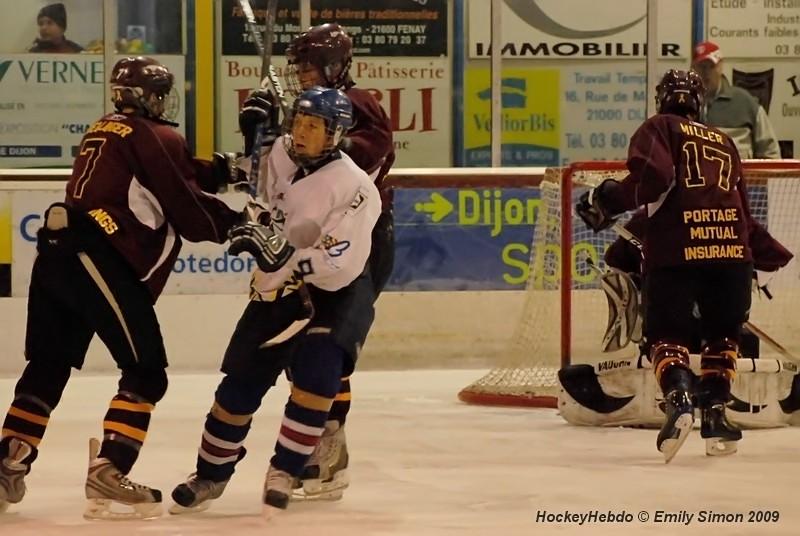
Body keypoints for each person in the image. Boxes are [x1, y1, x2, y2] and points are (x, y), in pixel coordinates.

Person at [0, 56, 241, 519]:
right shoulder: (157, 135)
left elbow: (169, 171)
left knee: (48, 367)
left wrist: (219, 171)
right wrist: (238, 223)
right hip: (96, 254)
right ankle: (111, 466)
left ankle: (9, 464)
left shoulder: (105, 129)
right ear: (150, 97)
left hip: (57, 251)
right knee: (147, 371)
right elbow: (187, 207)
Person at [170, 87, 381, 518]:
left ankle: (285, 470)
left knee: (317, 380)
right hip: (276, 290)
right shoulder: (282, 152)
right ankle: (210, 474)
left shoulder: (355, 187)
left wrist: (281, 257)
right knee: (237, 388)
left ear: (336, 134)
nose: (300, 133)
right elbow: (259, 188)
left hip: (333, 296)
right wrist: (253, 139)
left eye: (313, 126)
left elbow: (339, 264)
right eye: (297, 122)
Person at [236, 23, 395, 500]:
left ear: (335, 65)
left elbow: (366, 155)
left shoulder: (360, 104)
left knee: (328, 346)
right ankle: (316, 445)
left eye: (310, 66)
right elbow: (268, 181)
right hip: (303, 240)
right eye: (298, 67)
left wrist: (318, 135)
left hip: (356, 239)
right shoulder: (307, 110)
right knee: (299, 345)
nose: (302, 75)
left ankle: (329, 450)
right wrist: (257, 133)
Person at [576, 69, 754, 463]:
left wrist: (607, 198)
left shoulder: (659, 127)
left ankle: (679, 399)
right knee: (724, 335)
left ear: (662, 100)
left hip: (677, 250)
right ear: (699, 101)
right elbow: (743, 208)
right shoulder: (725, 141)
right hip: (731, 252)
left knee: (666, 335)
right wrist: (761, 254)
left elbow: (653, 178)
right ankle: (715, 414)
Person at [692, 41, 780, 159]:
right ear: (693, 69)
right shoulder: (684, 104)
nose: (706, 72)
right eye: (702, 67)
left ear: (721, 66)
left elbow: (770, 152)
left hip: (741, 177)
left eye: (711, 66)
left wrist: (759, 176)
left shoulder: (745, 103)